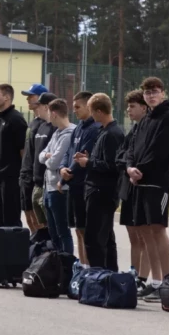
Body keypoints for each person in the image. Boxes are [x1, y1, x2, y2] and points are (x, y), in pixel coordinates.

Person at [124, 77, 169, 302]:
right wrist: (130, 168)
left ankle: (166, 281)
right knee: (144, 232)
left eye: (155, 91)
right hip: (138, 182)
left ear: (162, 93)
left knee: (157, 230)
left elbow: (160, 151)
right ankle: (155, 281)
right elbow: (132, 147)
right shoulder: (146, 118)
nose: (151, 95)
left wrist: (140, 170)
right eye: (147, 92)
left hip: (157, 183)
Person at [74, 93, 124, 272]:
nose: (92, 116)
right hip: (95, 190)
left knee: (95, 238)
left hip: (102, 192)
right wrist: (88, 158)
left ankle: (98, 275)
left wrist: (88, 163)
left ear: (100, 111)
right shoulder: (104, 131)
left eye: (92, 111)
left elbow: (112, 165)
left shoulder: (113, 134)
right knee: (104, 237)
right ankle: (107, 275)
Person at [117, 91, 151, 290]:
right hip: (126, 186)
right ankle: (134, 272)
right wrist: (124, 163)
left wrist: (129, 165)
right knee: (132, 235)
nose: (128, 110)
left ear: (143, 107)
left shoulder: (147, 129)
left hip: (139, 184)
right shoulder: (134, 129)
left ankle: (143, 277)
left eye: (132, 106)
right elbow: (122, 153)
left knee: (143, 235)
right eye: (128, 106)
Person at [62, 91, 100, 265]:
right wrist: (63, 168)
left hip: (84, 184)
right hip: (73, 184)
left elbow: (81, 155)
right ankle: (83, 265)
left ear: (88, 106)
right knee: (78, 228)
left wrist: (68, 172)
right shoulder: (78, 127)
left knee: (85, 229)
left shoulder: (94, 129)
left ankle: (88, 266)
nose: (74, 110)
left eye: (78, 107)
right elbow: (69, 152)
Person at [42, 98, 75, 254]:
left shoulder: (69, 134)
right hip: (48, 187)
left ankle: (66, 264)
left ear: (54, 113)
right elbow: (41, 156)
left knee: (62, 231)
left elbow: (54, 162)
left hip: (60, 189)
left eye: (49, 112)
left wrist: (48, 157)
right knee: (52, 232)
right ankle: (54, 264)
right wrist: (47, 156)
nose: (48, 116)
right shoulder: (56, 133)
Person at [0, 84, 27, 228]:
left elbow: (23, 150)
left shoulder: (16, 119)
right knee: (0, 221)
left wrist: (22, 175)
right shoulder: (0, 120)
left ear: (7, 97)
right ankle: (2, 250)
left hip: (12, 178)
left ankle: (14, 250)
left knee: (11, 220)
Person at [19, 84, 49, 231]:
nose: (28, 99)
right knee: (29, 216)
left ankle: (44, 249)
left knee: (39, 220)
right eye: (28, 96)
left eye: (32, 96)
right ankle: (36, 247)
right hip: (25, 173)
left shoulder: (47, 124)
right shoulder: (33, 122)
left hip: (36, 176)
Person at [31, 93, 57, 232]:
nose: (37, 109)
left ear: (47, 107)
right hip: (37, 183)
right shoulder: (41, 126)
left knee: (52, 226)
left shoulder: (54, 128)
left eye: (39, 106)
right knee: (40, 225)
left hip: (47, 184)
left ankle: (54, 253)